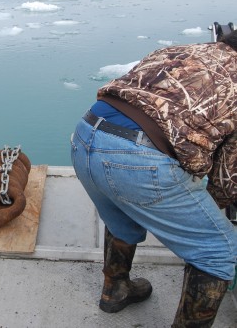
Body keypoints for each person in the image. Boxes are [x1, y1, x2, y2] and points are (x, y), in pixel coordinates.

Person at [71, 32, 237, 327]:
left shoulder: (180, 51)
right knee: (218, 252)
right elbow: (226, 179)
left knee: (123, 216)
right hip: (137, 159)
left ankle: (116, 289)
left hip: (85, 137)